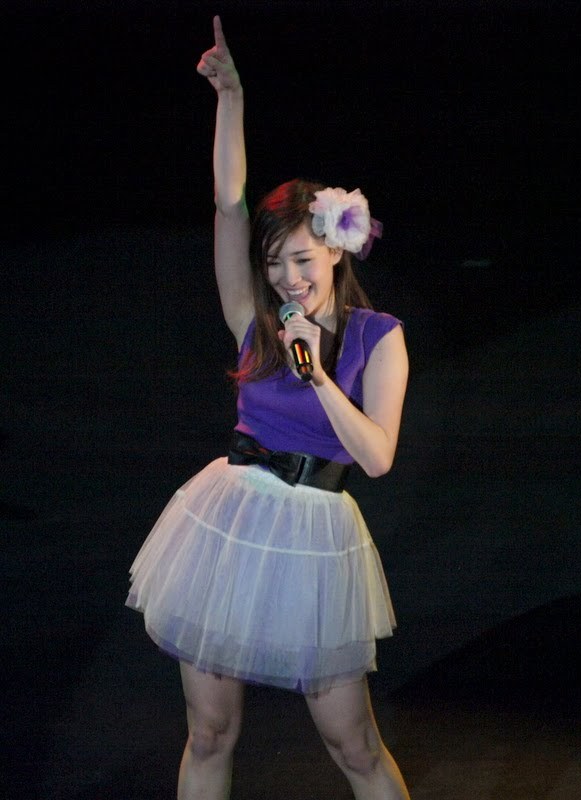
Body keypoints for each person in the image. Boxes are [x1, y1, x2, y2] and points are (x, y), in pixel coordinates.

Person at [126, 15, 410, 800]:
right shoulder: (253, 324)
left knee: (353, 745)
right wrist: (231, 100)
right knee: (210, 732)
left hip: (316, 536)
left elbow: (377, 457)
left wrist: (317, 376)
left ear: (336, 251)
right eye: (275, 262)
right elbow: (228, 205)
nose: (288, 278)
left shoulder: (378, 337)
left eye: (302, 259)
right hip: (231, 521)